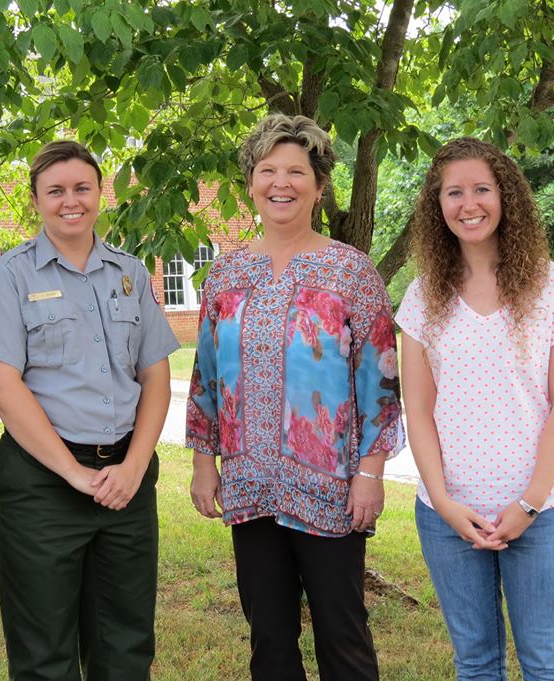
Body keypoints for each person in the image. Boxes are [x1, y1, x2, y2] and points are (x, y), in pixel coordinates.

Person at [186, 114, 404, 681]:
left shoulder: (350, 271)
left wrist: (370, 473)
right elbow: (206, 378)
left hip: (331, 488)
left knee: (344, 634)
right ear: (251, 182)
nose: (280, 183)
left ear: (318, 184)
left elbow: (380, 381)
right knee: (269, 640)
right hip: (248, 482)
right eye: (267, 171)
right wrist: (202, 464)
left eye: (295, 171)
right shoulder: (226, 273)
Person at [0, 140, 179, 681]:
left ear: (100, 193)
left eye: (82, 188)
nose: (70, 201)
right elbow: (0, 381)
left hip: (126, 481)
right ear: (36, 200)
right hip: (44, 483)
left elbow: (155, 373)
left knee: (126, 643)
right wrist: (74, 474)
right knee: (44, 651)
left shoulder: (130, 274)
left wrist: (133, 467)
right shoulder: (12, 276)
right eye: (55, 191)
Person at [396, 137, 554, 680]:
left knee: (549, 666)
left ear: (505, 196)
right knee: (476, 664)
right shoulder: (422, 295)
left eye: (481, 188)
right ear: (437, 206)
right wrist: (442, 500)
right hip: (448, 518)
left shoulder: (553, 286)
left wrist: (527, 505)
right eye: (453, 192)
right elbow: (418, 408)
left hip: (544, 513)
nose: (469, 203)